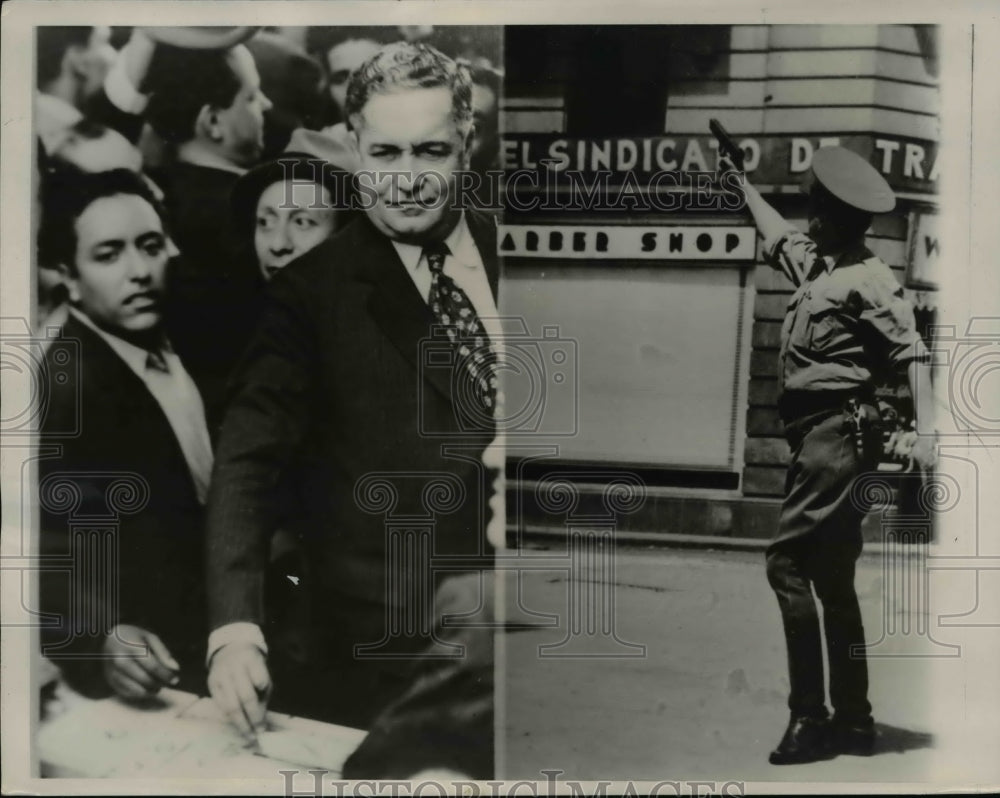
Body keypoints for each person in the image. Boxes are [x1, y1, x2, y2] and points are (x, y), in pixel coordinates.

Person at [204, 43, 500, 743]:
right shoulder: (309, 295)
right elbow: (248, 459)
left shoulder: (517, 252)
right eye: (385, 153)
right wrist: (235, 629)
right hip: (390, 653)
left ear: (468, 146)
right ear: (355, 149)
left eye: (430, 152)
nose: (406, 180)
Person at [729, 147, 937, 764]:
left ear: (843, 220)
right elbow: (776, 234)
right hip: (822, 437)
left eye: (818, 211)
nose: (809, 220)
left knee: (786, 563)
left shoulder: (869, 278)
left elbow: (913, 353)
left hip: (838, 434)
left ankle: (809, 718)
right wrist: (740, 183)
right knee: (833, 578)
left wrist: (930, 434)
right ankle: (854, 722)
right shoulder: (820, 266)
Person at [37, 167, 213, 700]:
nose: (139, 271)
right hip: (153, 666)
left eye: (150, 246)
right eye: (109, 255)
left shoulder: (185, 333)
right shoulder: (64, 387)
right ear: (68, 276)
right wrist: (100, 636)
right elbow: (43, 543)